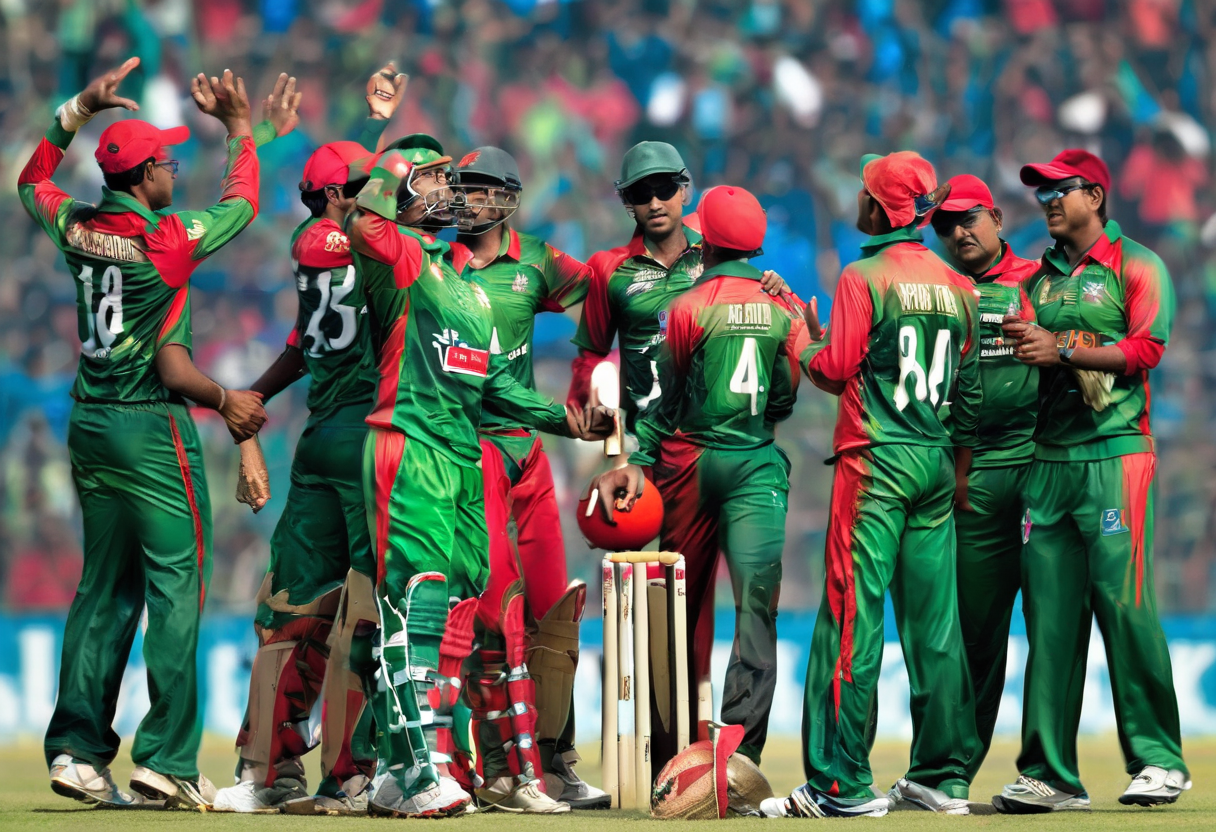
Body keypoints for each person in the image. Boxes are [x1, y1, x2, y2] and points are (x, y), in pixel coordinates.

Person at [19, 58, 268, 808]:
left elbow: (31, 181)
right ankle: (167, 759)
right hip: (151, 425)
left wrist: (74, 111)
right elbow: (242, 203)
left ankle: (76, 752)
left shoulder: (77, 228)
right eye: (168, 162)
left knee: (103, 589)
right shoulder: (168, 238)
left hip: (90, 422)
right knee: (177, 587)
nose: (174, 170)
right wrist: (241, 130)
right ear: (147, 176)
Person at [346, 140, 613, 818]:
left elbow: (493, 382)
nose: (454, 191)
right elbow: (365, 222)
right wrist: (400, 163)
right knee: (417, 602)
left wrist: (564, 419)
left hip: (462, 457)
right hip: (410, 443)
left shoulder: (464, 288)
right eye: (440, 180)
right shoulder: (406, 259)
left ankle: (398, 768)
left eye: (455, 180)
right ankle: (418, 771)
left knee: (459, 606)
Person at [762, 152, 982, 819]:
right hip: (935, 461)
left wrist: (803, 339)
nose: (857, 198)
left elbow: (834, 371)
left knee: (851, 616)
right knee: (936, 627)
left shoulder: (864, 277)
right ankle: (943, 778)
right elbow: (966, 392)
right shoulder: (959, 286)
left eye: (864, 191)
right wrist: (957, 471)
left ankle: (841, 786)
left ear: (881, 208)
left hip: (877, 462)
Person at [212, 65, 407, 816]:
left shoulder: (306, 241)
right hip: (369, 440)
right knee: (366, 609)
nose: (380, 196)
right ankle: (352, 774)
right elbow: (363, 203)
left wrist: (370, 126)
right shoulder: (373, 247)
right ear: (337, 199)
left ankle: (267, 771)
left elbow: (301, 341)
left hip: (319, 435)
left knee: (291, 607)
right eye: (364, 188)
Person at [567, 141, 788, 758]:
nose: (655, 201)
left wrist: (771, 286)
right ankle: (657, 750)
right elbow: (590, 356)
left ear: (686, 190)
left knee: (701, 602)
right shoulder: (610, 269)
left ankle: (705, 753)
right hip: (643, 453)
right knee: (652, 607)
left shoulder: (721, 253)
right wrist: (601, 432)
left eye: (665, 188)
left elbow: (770, 341)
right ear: (626, 202)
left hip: (709, 446)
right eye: (641, 193)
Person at [995, 149, 1190, 812]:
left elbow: (1147, 348)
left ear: (1096, 196)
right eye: (1041, 191)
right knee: (1048, 619)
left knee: (1124, 605)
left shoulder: (1138, 264)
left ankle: (1159, 761)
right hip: (1047, 463)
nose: (1048, 200)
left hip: (1115, 456)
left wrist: (1064, 349)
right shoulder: (1036, 277)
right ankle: (1051, 775)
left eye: (1061, 189)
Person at [448, 147, 609, 810]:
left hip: (528, 457)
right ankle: (493, 767)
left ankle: (554, 759)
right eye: (462, 188)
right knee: (495, 612)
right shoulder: (437, 266)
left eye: (483, 189)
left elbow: (604, 296)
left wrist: (590, 374)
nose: (469, 199)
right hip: (471, 451)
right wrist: (563, 415)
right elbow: (481, 378)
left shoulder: (536, 261)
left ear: (510, 198)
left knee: (552, 611)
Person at [929, 174, 1040, 779]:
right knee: (974, 636)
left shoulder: (1038, 281)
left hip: (1039, 470)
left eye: (968, 218)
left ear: (996, 217)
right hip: (969, 480)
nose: (958, 232)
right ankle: (952, 773)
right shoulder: (934, 289)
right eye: (945, 225)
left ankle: (1048, 774)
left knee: (1051, 629)